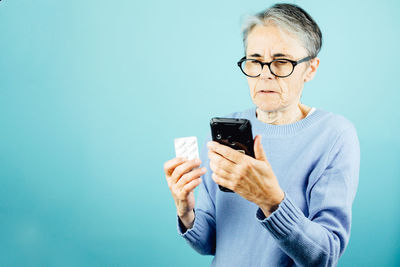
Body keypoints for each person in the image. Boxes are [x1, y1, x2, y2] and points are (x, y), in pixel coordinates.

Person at [163, 3, 360, 266]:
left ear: (310, 69)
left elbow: (324, 256)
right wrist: (186, 211)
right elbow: (208, 243)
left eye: (281, 62)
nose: (265, 75)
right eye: (255, 61)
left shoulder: (334, 136)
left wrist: (271, 201)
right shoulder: (229, 128)